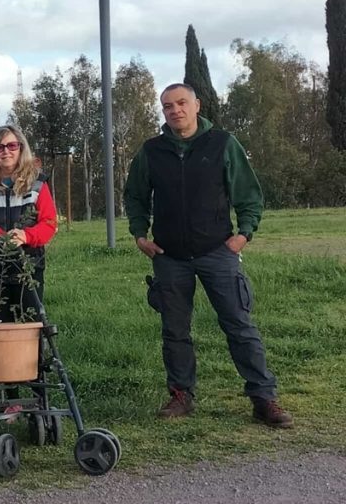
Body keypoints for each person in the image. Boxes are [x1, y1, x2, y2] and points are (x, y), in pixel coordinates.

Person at [124, 82, 292, 428]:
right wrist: (140, 234)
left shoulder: (223, 144)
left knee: (239, 325)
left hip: (218, 251)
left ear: (197, 105)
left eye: (181, 103)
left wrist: (243, 235)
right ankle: (181, 395)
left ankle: (263, 398)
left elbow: (248, 195)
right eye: (168, 106)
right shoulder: (151, 151)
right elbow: (135, 196)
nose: (175, 110)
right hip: (169, 256)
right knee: (175, 331)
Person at [0, 124, 58, 323]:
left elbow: (49, 223)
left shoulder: (38, 183)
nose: (6, 151)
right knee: (1, 329)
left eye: (12, 145)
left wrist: (26, 236)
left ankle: (37, 346)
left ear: (21, 148)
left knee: (32, 325)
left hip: (28, 268)